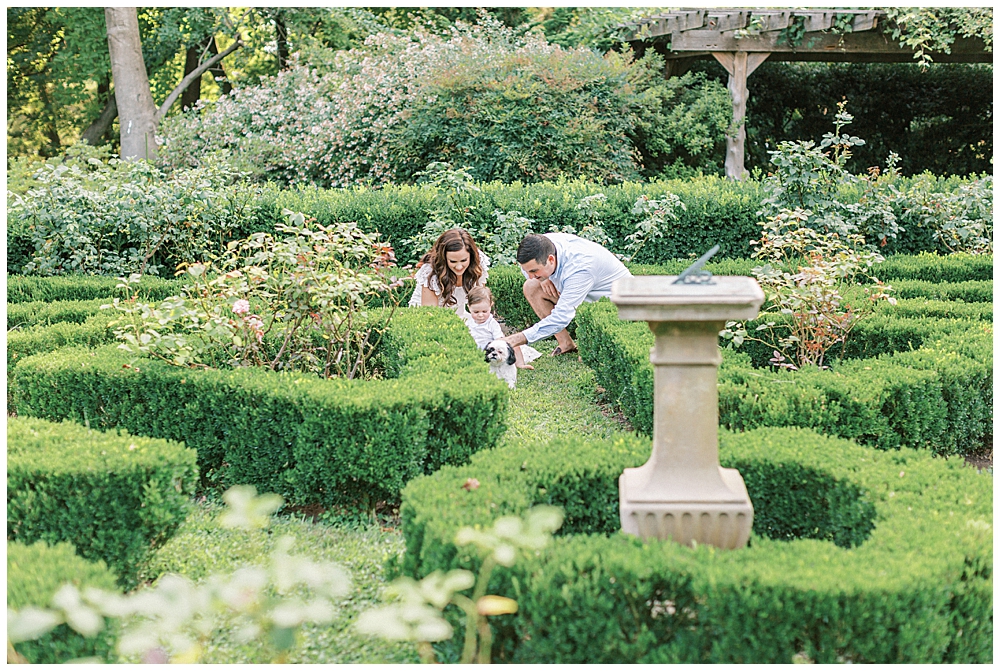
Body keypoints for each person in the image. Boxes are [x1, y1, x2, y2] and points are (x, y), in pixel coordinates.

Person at [502, 232, 631, 358]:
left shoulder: (580, 269)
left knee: (589, 357)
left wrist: (515, 339)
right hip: (587, 295)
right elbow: (528, 268)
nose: (530, 276)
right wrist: (543, 279)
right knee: (531, 286)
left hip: (618, 304)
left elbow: (561, 317)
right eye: (527, 271)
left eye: (534, 271)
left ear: (551, 259)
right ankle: (566, 344)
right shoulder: (542, 245)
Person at [407, 228, 489, 320]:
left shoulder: (478, 264)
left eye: (464, 260)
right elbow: (429, 316)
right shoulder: (430, 273)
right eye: (453, 261)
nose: (459, 267)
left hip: (458, 314)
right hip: (428, 316)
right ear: (444, 259)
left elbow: (481, 302)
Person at [465, 286, 540, 368]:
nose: (480, 315)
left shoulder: (491, 323)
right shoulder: (468, 323)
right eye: (476, 312)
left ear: (490, 306)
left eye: (484, 311)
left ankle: (520, 364)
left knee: (515, 344)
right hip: (475, 350)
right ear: (469, 307)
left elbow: (499, 340)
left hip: (491, 351)